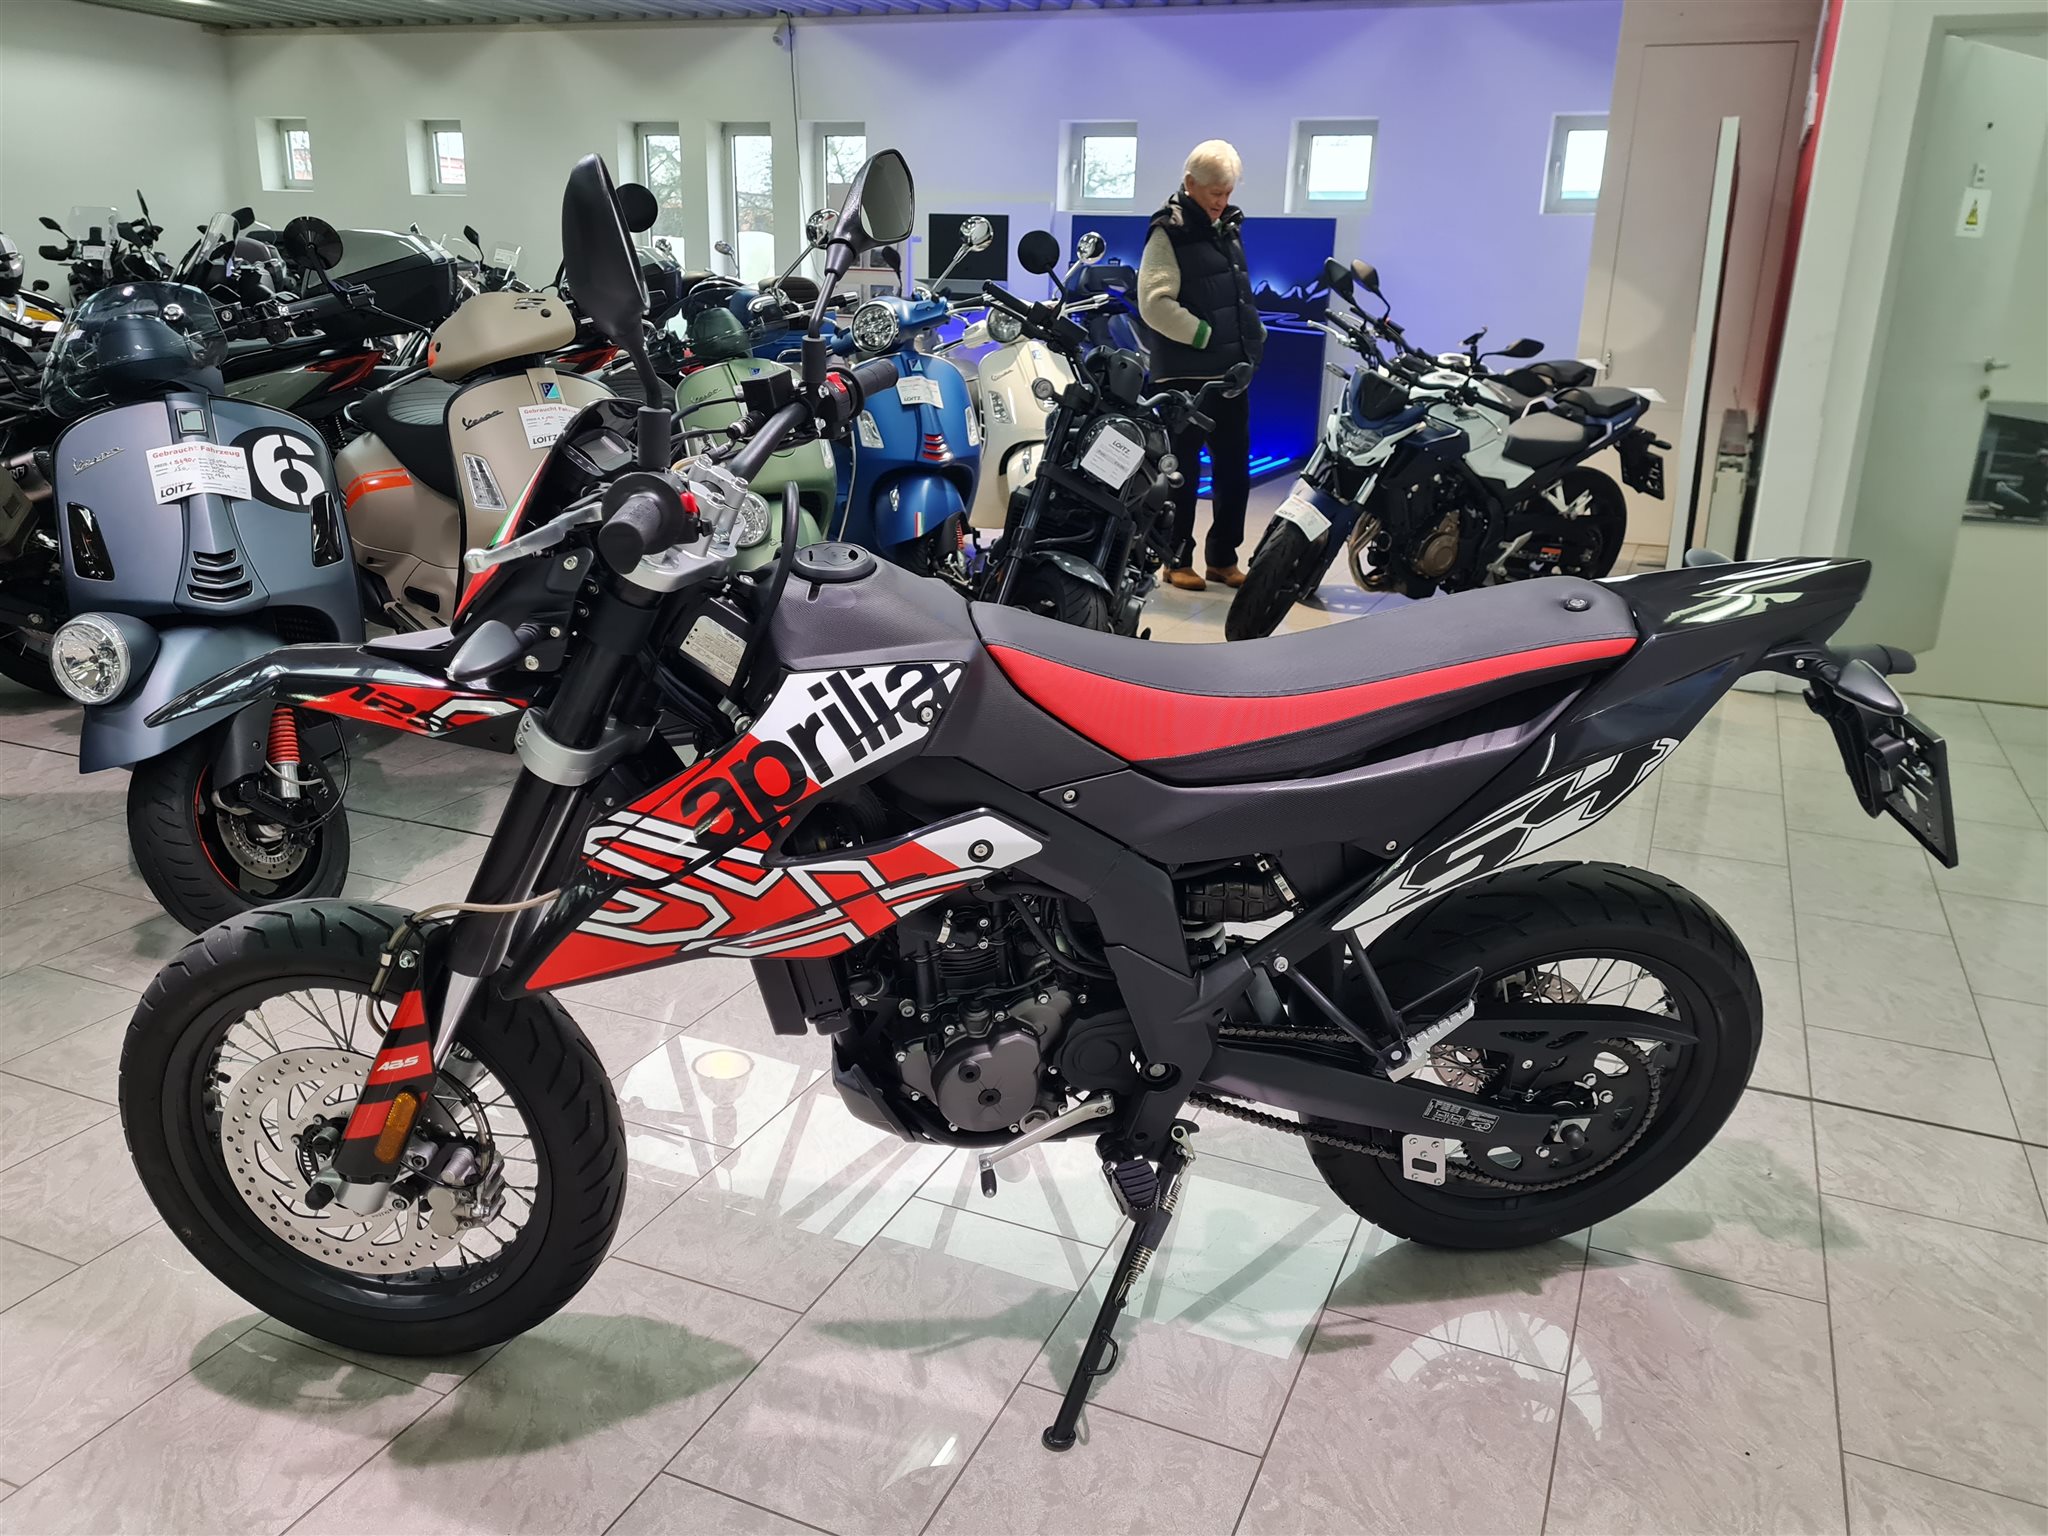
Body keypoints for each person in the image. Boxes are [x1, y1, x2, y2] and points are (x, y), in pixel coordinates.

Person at [1137, 139, 1265, 591]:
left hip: (1229, 376)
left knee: (1234, 471)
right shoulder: (1167, 231)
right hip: (1184, 379)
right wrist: (1204, 336)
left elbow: (1237, 295)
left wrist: (1252, 337)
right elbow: (1154, 303)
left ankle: (1223, 560)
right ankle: (1175, 560)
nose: (1222, 201)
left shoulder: (1227, 227)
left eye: (1227, 192)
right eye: (1215, 192)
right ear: (1190, 183)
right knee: (1181, 476)